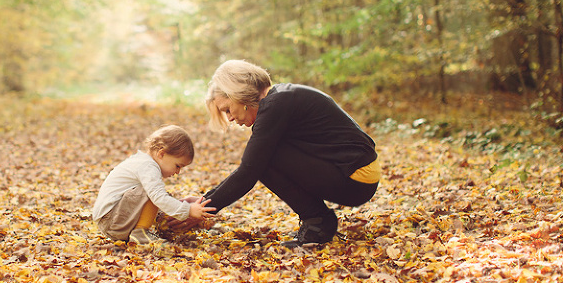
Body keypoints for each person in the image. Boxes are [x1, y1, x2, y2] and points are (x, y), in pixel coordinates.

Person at [195, 59, 379, 247]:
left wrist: (203, 209)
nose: (230, 118)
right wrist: (203, 201)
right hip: (354, 173)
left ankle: (318, 223)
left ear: (238, 95)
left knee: (263, 159)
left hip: (356, 178)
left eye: (227, 109)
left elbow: (248, 171)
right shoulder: (279, 99)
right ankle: (318, 220)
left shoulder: (275, 105)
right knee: (262, 156)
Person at [92, 125, 215, 244]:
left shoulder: (143, 162)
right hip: (111, 220)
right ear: (161, 153)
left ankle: (155, 228)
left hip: (113, 220)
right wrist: (188, 210)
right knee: (155, 193)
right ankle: (140, 233)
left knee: (158, 194)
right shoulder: (148, 166)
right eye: (177, 166)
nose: (178, 172)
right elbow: (158, 197)